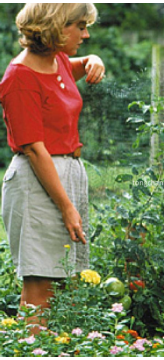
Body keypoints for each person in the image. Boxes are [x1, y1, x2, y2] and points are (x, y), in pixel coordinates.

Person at [0, 3, 105, 331]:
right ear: (56, 27)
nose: (86, 35)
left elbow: (81, 65)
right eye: (80, 26)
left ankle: (43, 348)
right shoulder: (20, 76)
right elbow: (34, 148)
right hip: (38, 183)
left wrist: (94, 61)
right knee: (41, 284)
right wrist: (66, 206)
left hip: (65, 176)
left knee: (62, 282)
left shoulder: (56, 60)